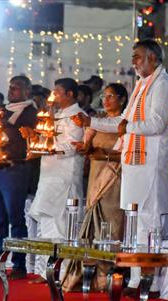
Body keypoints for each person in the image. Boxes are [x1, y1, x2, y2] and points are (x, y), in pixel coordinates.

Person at [71, 39, 168, 295]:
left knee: (148, 223)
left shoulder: (163, 84)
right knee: (133, 222)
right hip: (133, 161)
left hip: (151, 163)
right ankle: (135, 280)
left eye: (138, 56)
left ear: (152, 57)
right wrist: (92, 122)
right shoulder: (142, 84)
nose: (134, 61)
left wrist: (127, 127)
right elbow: (122, 120)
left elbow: (157, 123)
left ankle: (148, 283)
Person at [63, 83, 127, 291]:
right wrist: (83, 147)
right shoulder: (96, 122)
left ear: (122, 99)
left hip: (115, 176)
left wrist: (104, 153)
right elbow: (87, 147)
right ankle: (88, 275)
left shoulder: (125, 124)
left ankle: (107, 277)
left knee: (112, 222)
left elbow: (127, 152)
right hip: (95, 175)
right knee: (92, 221)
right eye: (104, 97)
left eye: (110, 96)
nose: (106, 101)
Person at [22, 78, 85, 283]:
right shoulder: (54, 116)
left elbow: (73, 146)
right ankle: (45, 271)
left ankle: (63, 273)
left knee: (63, 226)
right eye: (53, 91)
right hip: (49, 175)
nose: (53, 96)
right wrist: (32, 137)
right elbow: (43, 143)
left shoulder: (78, 117)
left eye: (58, 92)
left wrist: (51, 147)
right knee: (47, 224)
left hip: (64, 177)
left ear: (70, 94)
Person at [0, 76, 37, 279]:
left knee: (16, 219)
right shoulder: (3, 111)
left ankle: (19, 265)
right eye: (10, 87)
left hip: (15, 170)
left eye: (17, 88)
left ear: (27, 91)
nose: (12, 90)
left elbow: (15, 136)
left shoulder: (31, 113)